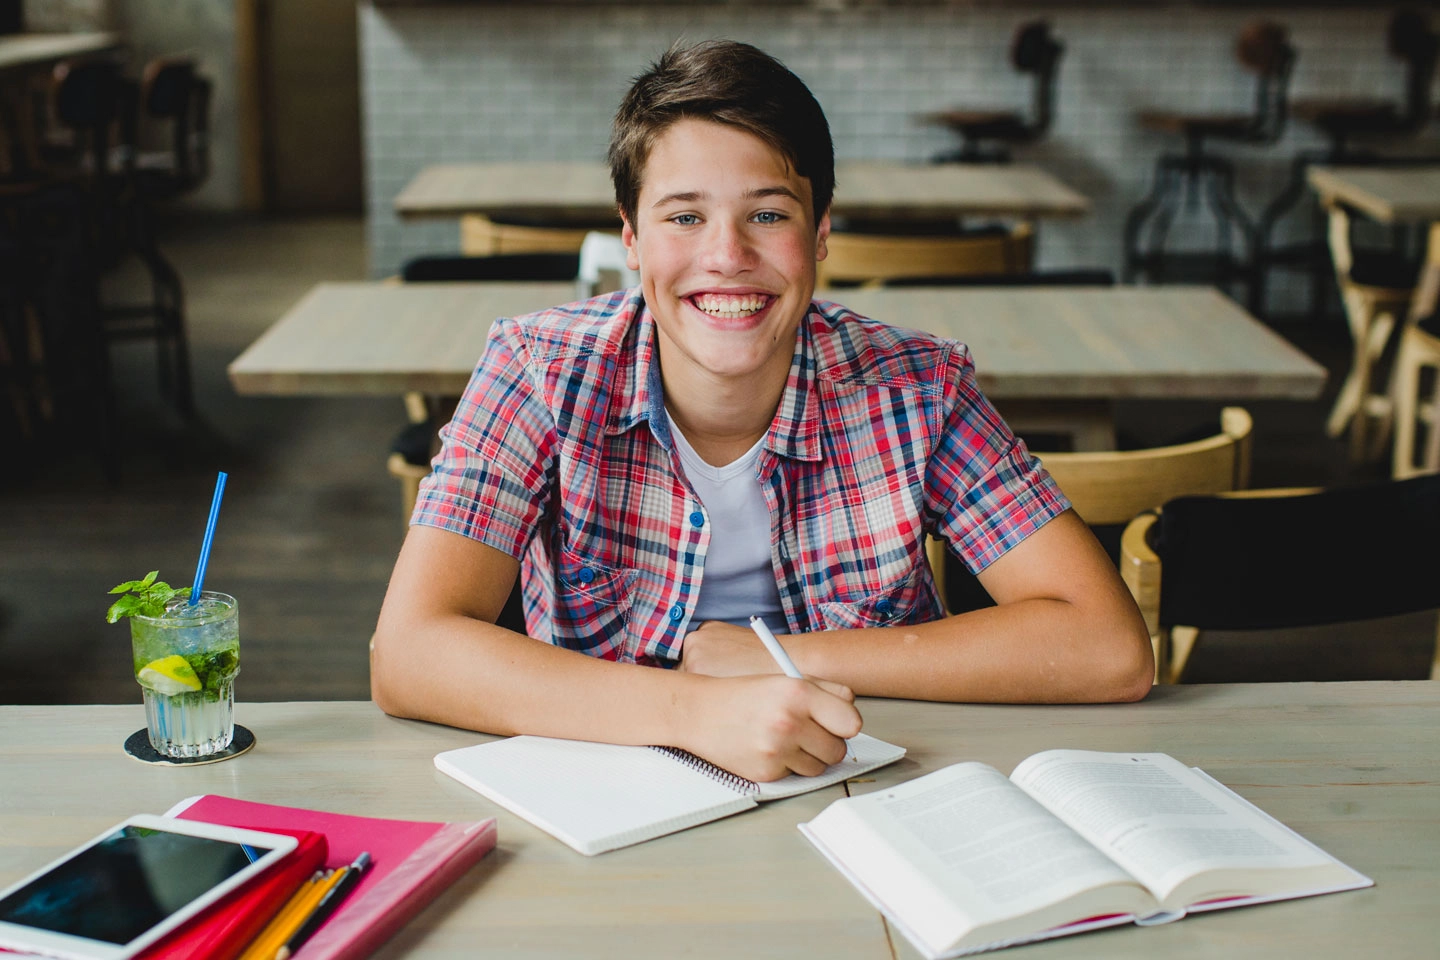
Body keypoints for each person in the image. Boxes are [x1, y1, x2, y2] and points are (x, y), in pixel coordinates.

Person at [371, 40, 1153, 782]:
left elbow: (1109, 647)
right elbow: (407, 654)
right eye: (684, 217)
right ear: (631, 238)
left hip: (875, 775)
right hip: (614, 791)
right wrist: (693, 711)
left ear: (820, 234)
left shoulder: (915, 386)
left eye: (769, 215)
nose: (726, 255)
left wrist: (787, 656)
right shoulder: (538, 371)